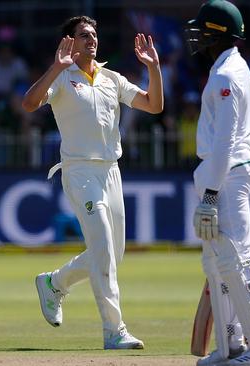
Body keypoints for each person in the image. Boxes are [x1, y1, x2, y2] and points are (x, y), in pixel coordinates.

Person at [21, 15, 163, 349]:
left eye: (94, 34)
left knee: (112, 254)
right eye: (84, 35)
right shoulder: (62, 78)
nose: (92, 39)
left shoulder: (112, 78)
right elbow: (28, 103)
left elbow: (154, 105)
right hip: (79, 171)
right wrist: (56, 67)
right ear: (68, 41)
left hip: (111, 170)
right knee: (102, 248)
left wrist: (153, 68)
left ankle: (54, 283)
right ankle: (115, 331)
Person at [185, 1, 250, 365]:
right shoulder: (226, 68)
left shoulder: (227, 75)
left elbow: (226, 140)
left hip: (228, 174)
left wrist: (210, 195)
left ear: (216, 34)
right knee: (217, 264)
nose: (195, 36)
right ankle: (232, 348)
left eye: (201, 29)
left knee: (239, 260)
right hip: (220, 173)